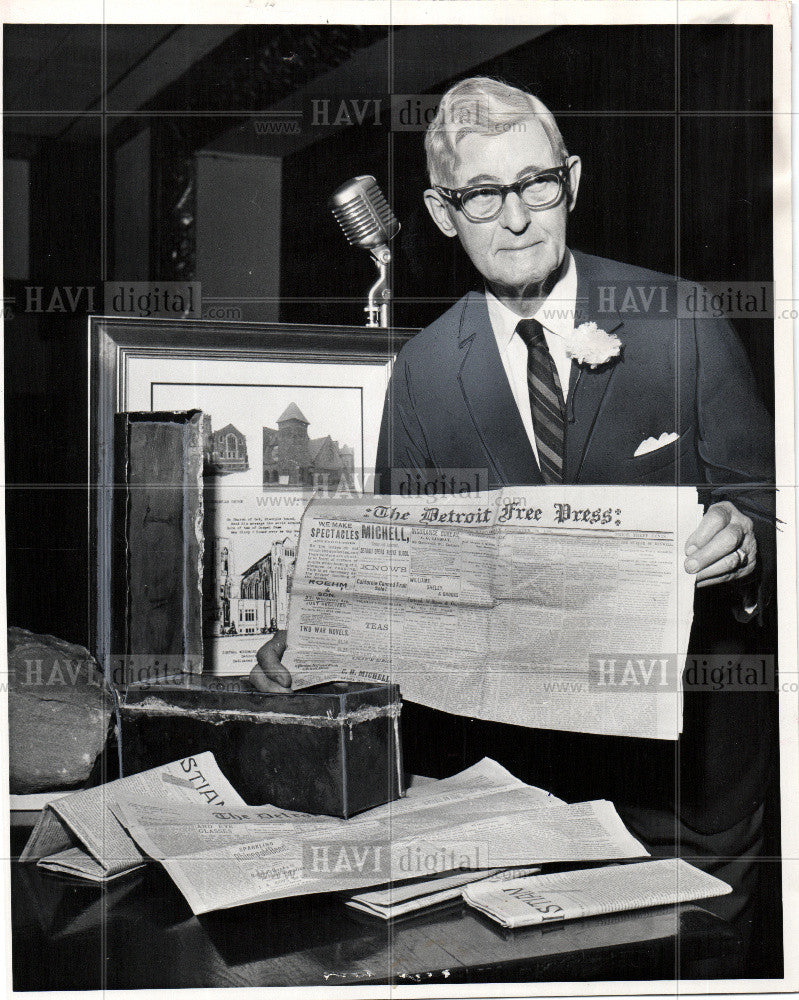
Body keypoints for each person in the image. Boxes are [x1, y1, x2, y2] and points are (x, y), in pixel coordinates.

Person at [252, 77, 777, 961]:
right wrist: (316, 650)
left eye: (537, 184)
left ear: (570, 179)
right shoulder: (421, 373)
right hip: (519, 800)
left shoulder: (681, 320)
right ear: (440, 212)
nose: (518, 218)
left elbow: (770, 509)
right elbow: (401, 576)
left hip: (689, 792)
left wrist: (746, 542)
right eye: (482, 195)